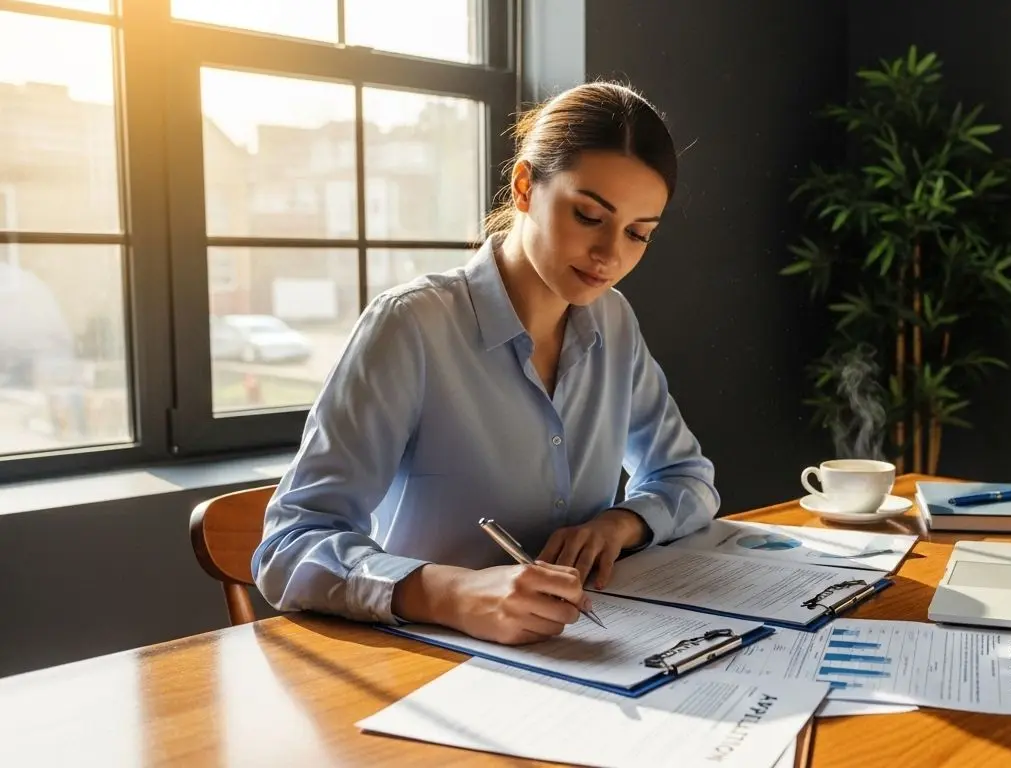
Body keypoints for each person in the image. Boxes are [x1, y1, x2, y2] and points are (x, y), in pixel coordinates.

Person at [252, 80, 719, 646]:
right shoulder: (411, 326)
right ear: (524, 186)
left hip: (588, 652)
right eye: (589, 216)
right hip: (427, 664)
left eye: (639, 234)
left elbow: (687, 479)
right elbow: (290, 544)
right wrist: (452, 595)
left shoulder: (613, 322)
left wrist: (619, 525)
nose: (611, 257)